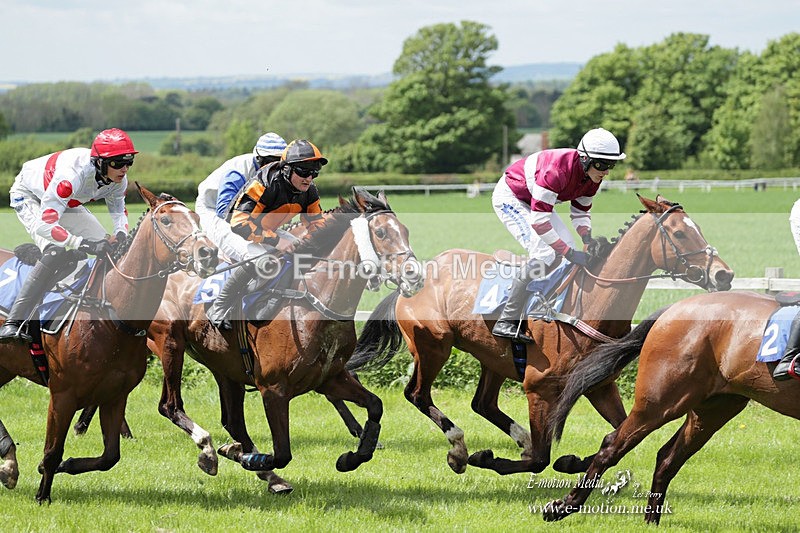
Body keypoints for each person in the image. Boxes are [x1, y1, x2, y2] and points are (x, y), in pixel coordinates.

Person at [0, 128, 136, 343]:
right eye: (118, 163)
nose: (124, 169)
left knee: (110, 247)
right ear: (100, 162)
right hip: (31, 197)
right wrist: (84, 245)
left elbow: (119, 212)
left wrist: (120, 235)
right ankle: (13, 322)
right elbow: (46, 225)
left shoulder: (119, 180)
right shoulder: (71, 177)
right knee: (55, 251)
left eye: (129, 163)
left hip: (66, 203)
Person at [491, 127, 626, 343]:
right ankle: (506, 320)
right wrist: (569, 253)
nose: (606, 171)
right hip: (512, 198)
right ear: (584, 159)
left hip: (536, 203)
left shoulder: (593, 177)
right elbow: (539, 221)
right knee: (546, 253)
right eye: (602, 164)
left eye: (611, 164)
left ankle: (546, 301)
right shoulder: (556, 171)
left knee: (565, 246)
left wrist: (587, 239)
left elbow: (581, 212)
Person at [206, 138, 328, 328]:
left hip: (263, 227)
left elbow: (317, 223)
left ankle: (272, 297)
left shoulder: (309, 191)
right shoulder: (264, 184)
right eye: (303, 172)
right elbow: (239, 223)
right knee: (260, 258)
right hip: (233, 225)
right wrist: (277, 241)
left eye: (314, 173)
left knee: (299, 253)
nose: (309, 178)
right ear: (287, 169)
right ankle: (220, 306)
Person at [195, 132, 287, 262]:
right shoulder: (238, 171)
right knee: (258, 257)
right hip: (213, 211)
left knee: (297, 244)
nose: (275, 168)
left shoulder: (276, 174)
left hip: (244, 215)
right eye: (271, 161)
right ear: (259, 158)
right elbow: (225, 212)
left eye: (280, 163)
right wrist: (265, 235)